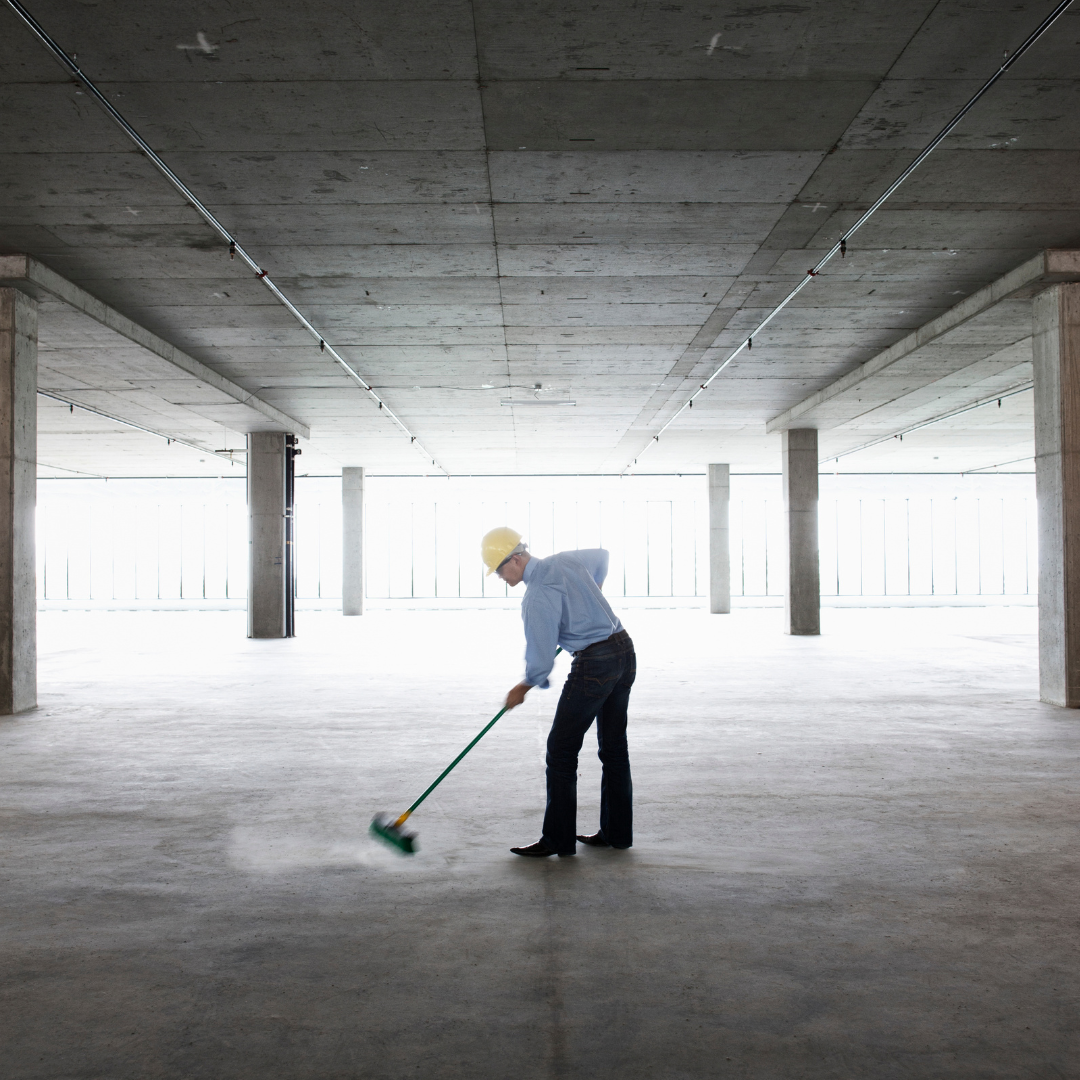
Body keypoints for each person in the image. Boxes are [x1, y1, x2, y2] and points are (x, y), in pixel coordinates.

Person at [480, 526, 636, 858]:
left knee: (561, 751)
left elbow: (540, 657)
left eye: (499, 570)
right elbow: (602, 556)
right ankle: (617, 834)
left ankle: (557, 840)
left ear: (516, 558)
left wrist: (524, 685)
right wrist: (593, 590)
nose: (500, 577)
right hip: (624, 650)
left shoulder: (536, 596)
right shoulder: (564, 560)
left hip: (595, 664)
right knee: (614, 748)